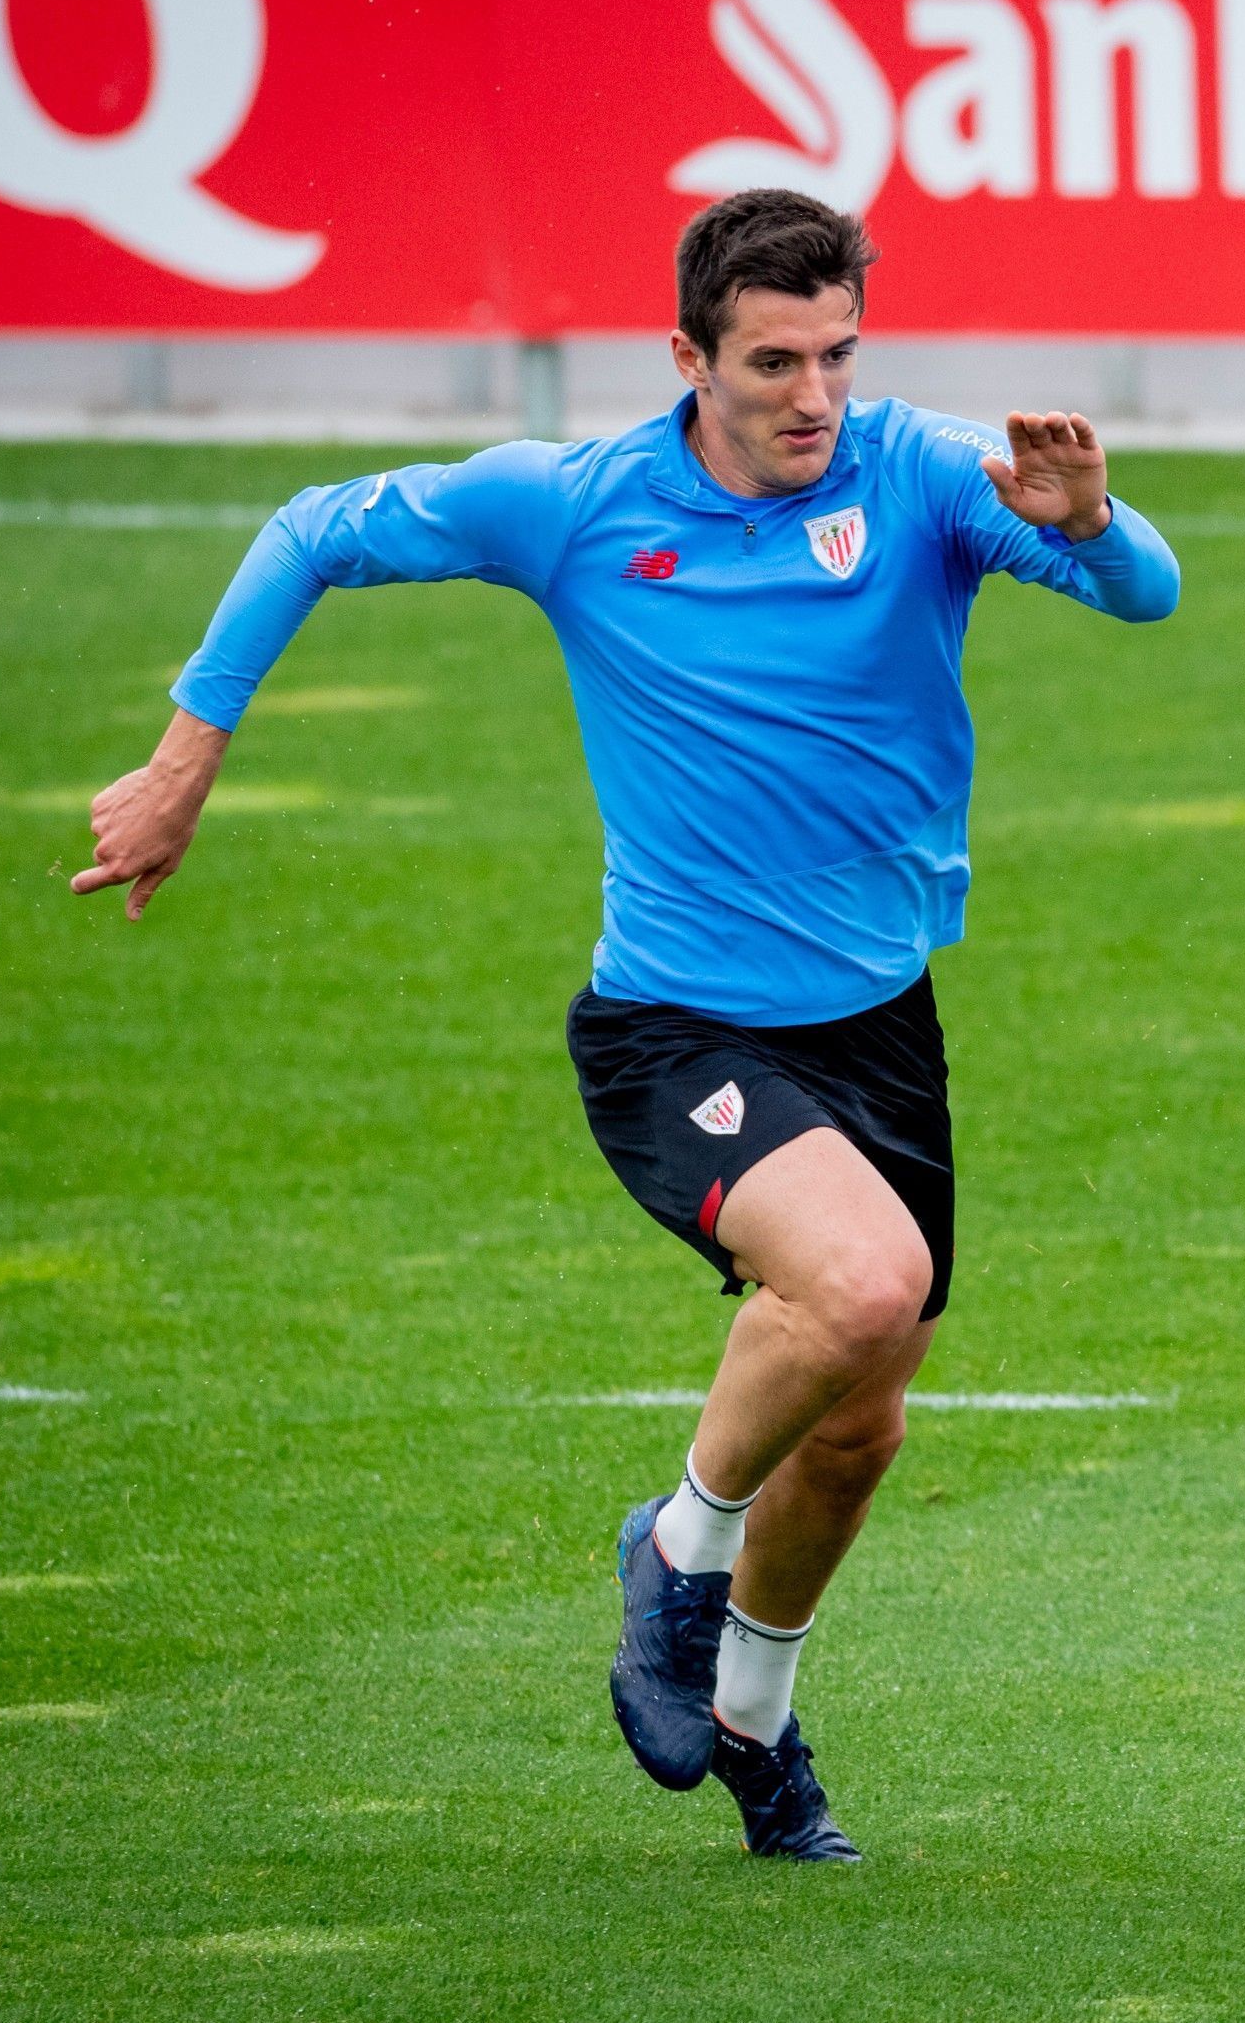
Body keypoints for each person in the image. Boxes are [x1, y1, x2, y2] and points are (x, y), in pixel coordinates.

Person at [77, 190, 1181, 1862]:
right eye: (772, 361)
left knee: (865, 1419)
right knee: (866, 1284)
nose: (812, 394)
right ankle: (674, 1546)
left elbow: (1148, 595)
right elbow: (314, 526)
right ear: (687, 356)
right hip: (672, 1030)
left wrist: (1091, 525)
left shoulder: (923, 475)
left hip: (880, 1024)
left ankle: (752, 1717)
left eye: (837, 354)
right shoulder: (574, 504)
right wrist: (182, 762)